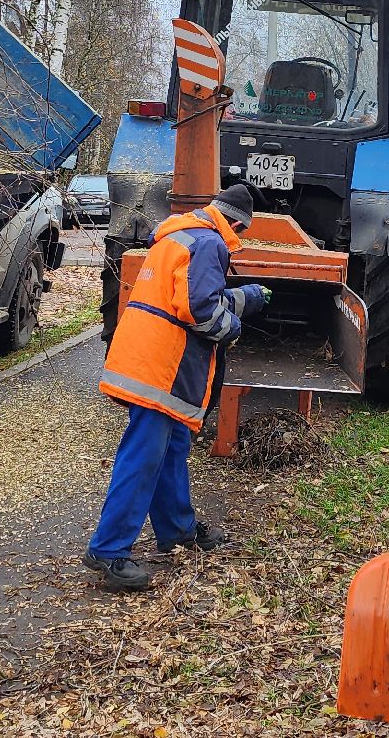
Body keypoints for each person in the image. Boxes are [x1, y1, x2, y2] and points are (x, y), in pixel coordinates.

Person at [85, 183, 268, 592]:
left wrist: (247, 297)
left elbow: (186, 295)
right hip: (161, 368)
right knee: (144, 457)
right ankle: (109, 551)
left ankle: (177, 530)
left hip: (149, 360)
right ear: (237, 223)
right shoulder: (211, 244)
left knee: (170, 451)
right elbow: (201, 310)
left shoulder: (180, 235)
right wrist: (234, 328)